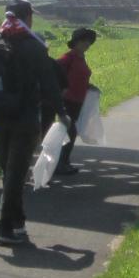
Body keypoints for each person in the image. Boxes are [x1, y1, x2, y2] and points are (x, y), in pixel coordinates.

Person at [0, 0, 61, 245]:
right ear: (28, 17)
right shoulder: (34, 46)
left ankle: (18, 223)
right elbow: (50, 84)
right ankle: (3, 228)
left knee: (10, 170)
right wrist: (62, 113)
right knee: (16, 174)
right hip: (25, 116)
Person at [53, 28, 97, 177]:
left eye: (89, 42)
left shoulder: (81, 57)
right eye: (84, 41)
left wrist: (88, 86)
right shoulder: (67, 58)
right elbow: (56, 75)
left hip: (78, 100)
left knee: (72, 132)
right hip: (67, 100)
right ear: (76, 42)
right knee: (68, 131)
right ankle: (60, 164)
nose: (87, 44)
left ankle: (64, 162)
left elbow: (80, 77)